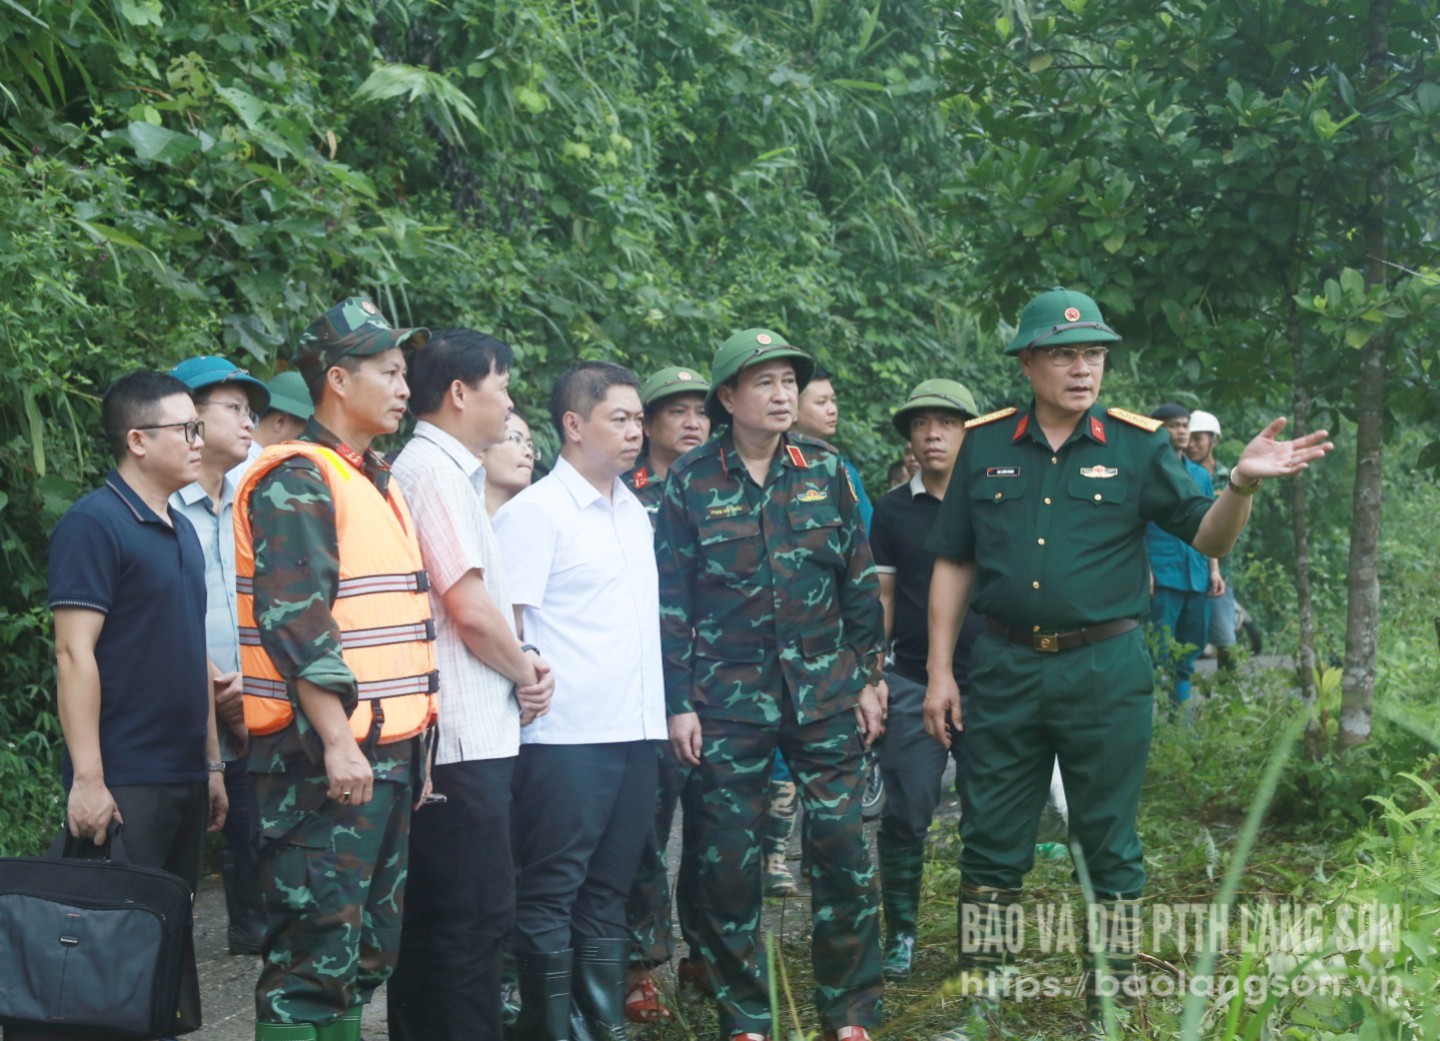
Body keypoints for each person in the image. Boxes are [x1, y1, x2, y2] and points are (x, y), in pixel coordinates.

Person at [921, 287, 1331, 1036]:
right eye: (1065, 354)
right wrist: (942, 670)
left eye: (1095, 355)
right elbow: (953, 560)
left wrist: (1238, 484)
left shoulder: (1139, 444)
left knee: (1108, 840)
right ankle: (985, 1000)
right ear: (1028, 362)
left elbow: (1208, 538)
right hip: (1006, 668)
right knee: (990, 844)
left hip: (1103, 671)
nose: (1083, 370)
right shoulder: (983, 445)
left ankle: (1108, 1002)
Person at [654, 328, 887, 1041]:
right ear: (728, 398)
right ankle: (746, 1014)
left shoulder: (827, 470)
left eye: (789, 380)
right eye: (764, 382)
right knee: (728, 860)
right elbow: (670, 601)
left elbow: (858, 581)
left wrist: (871, 679)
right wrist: (677, 703)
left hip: (824, 693)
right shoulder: (691, 481)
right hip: (727, 704)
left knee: (844, 848)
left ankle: (848, 1012)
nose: (783, 393)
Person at [234, 296, 438, 1041]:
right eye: (388, 371)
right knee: (311, 961)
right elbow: (297, 620)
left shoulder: (370, 476)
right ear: (338, 381)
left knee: (362, 953)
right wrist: (337, 738)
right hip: (320, 762)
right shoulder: (298, 478)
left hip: (380, 755)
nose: (404, 387)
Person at [386, 329, 556, 1041]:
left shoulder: (441, 473)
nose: (510, 400)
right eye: (503, 385)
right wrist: (527, 671)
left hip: (459, 736)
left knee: (443, 922)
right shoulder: (433, 473)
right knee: (470, 919)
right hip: (459, 739)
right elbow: (469, 607)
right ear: (461, 393)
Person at [492, 361, 667, 1041]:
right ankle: (546, 1029)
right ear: (572, 424)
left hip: (635, 731)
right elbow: (506, 620)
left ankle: (599, 1026)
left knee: (608, 890)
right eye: (618, 418)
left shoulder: (634, 510)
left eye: (636, 419)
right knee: (551, 890)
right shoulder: (537, 512)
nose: (635, 432)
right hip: (564, 738)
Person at [48, 369, 227, 977]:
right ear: (138, 440)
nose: (198, 440)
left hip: (182, 774)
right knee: (108, 959)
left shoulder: (183, 531)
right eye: (187, 428)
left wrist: (211, 762)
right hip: (126, 777)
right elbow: (74, 653)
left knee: (165, 956)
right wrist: (89, 780)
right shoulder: (94, 523)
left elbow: (190, 649)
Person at [867, 379, 987, 981]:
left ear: (970, 430)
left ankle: (984, 948)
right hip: (912, 679)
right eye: (921, 424)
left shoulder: (996, 499)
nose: (933, 434)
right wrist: (874, 674)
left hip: (990, 680)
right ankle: (902, 934)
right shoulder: (891, 509)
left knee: (989, 816)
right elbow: (883, 595)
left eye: (947, 423)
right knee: (906, 814)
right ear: (909, 436)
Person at [168, 355, 271, 957]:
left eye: (250, 411)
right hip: (185, 699)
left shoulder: (253, 497)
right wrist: (209, 681)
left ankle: (251, 928)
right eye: (233, 409)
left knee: (254, 826)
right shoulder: (158, 504)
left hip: (255, 695)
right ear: (188, 420)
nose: (248, 422)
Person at [620, 364, 713, 1023]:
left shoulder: (725, 485)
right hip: (639, 688)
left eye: (700, 411)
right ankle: (639, 964)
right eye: (675, 411)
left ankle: (707, 955)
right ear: (647, 422)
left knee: (719, 829)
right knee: (643, 833)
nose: (691, 423)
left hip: (721, 685)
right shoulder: (618, 492)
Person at [1145, 403, 1222, 714]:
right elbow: (1134, 527)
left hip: (1197, 573)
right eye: (1174, 425)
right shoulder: (1146, 470)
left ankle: (1182, 718)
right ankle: (1155, 720)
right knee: (1157, 650)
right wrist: (1145, 569)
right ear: (1157, 429)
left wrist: (1214, 569)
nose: (1182, 431)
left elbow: (1210, 522)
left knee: (1190, 649)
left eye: (1184, 425)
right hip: (1163, 573)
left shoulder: (1199, 474)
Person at [1187, 409, 1239, 667]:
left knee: (1225, 640)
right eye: (1189, 438)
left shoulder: (1228, 478)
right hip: (1183, 569)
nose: (1191, 444)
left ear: (1213, 440)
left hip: (1220, 571)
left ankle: (1230, 696)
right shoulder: (1179, 474)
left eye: (1198, 438)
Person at [793, 365, 874, 530]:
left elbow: (870, 535)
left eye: (833, 401)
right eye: (822, 402)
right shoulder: (767, 465)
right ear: (792, 409)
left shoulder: (840, 469)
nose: (833, 410)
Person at [226, 370, 314, 485]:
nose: (310, 442)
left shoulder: (232, 458)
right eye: (307, 432)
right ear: (280, 422)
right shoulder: (248, 471)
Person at [480, 408, 539, 516]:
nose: (529, 452)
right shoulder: (459, 512)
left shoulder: (541, 520)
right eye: (515, 439)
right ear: (480, 452)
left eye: (529, 445)